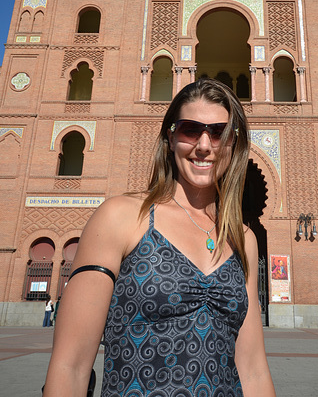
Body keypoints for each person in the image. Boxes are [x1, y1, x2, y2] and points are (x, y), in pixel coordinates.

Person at [43, 78, 276, 397]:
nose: (204, 145)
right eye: (190, 130)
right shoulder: (123, 217)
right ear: (170, 137)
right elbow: (70, 367)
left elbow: (253, 370)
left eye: (219, 132)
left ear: (235, 143)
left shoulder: (241, 238)